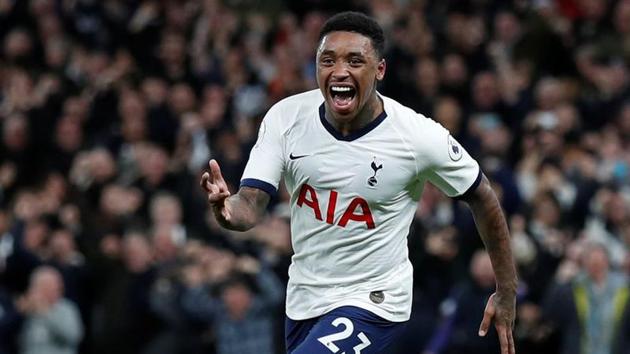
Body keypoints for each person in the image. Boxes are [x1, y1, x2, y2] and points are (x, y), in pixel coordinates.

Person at [200, 11, 517, 354]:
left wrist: (506, 290)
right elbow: (251, 203)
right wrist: (228, 211)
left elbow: (482, 195)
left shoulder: (416, 137)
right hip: (305, 299)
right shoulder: (286, 118)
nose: (340, 71)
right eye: (328, 60)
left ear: (379, 70)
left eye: (355, 60)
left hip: (374, 302)